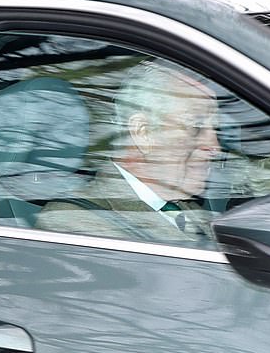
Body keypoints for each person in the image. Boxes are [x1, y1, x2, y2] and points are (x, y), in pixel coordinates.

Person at [36, 60, 222, 241]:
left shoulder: (192, 211)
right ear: (143, 133)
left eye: (216, 129)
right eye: (196, 126)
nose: (215, 147)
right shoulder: (72, 223)